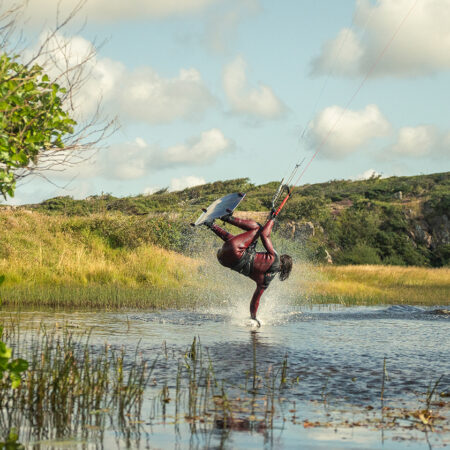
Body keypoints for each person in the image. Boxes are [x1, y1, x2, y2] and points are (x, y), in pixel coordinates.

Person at [205, 214, 293, 326]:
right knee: (239, 245)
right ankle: (210, 225)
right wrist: (253, 318)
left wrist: (272, 219)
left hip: (234, 250)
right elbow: (255, 301)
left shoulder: (275, 258)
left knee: (257, 228)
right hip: (224, 260)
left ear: (282, 259)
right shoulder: (266, 282)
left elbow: (264, 234)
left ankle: (225, 217)